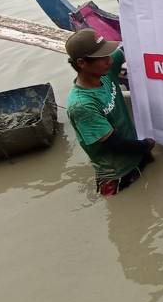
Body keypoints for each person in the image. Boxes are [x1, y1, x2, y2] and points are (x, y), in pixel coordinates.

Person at [65, 28, 155, 196]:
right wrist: (146, 145)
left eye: (108, 55)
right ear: (82, 63)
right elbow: (115, 144)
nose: (110, 61)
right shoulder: (82, 106)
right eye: (102, 57)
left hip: (138, 153)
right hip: (118, 174)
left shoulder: (104, 72)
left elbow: (126, 48)